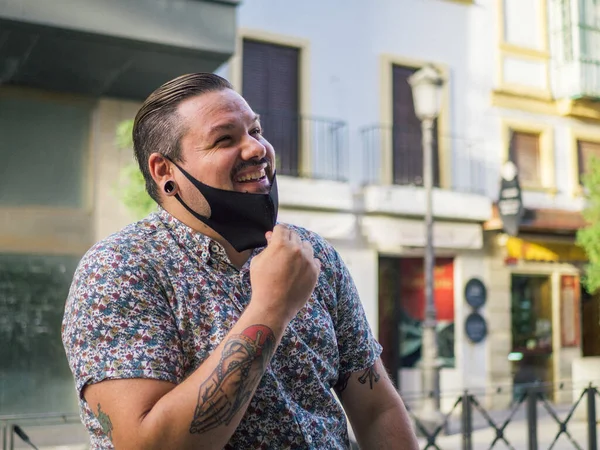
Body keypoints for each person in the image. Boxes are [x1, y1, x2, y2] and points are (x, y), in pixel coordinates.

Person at [62, 73, 419, 450]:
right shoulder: (120, 268)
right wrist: (272, 307)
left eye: (256, 130)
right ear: (165, 171)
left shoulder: (312, 253)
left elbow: (376, 408)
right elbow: (148, 444)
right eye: (224, 139)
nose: (256, 149)